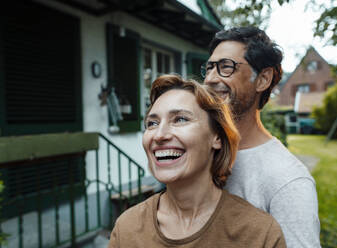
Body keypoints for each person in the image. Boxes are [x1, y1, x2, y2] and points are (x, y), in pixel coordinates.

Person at [108, 75, 286, 247]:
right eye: (152, 123)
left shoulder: (260, 234)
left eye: (180, 119)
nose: (159, 135)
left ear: (217, 136)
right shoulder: (127, 229)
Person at [202, 26, 321, 248]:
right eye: (208, 68)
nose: (209, 79)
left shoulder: (287, 181)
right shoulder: (201, 154)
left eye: (225, 67)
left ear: (263, 79)